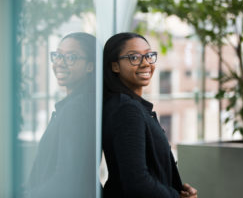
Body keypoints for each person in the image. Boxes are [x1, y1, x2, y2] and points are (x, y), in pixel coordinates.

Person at [102, 32, 198, 198]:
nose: (145, 63)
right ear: (114, 66)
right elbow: (137, 182)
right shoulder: (127, 110)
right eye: (134, 58)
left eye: (149, 55)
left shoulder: (130, 106)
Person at [25, 32, 97, 198]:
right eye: (58, 55)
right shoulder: (80, 104)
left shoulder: (77, 109)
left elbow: (65, 179)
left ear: (90, 66)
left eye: (71, 57)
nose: (59, 63)